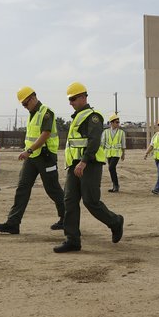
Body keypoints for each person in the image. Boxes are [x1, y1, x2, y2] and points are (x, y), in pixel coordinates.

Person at [55, 82, 124, 253]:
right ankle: (72, 240)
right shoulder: (77, 117)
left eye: (73, 99)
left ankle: (115, 222)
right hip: (74, 165)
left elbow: (93, 141)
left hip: (89, 165)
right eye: (69, 99)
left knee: (90, 201)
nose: (70, 102)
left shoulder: (93, 116)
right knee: (69, 200)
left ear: (83, 97)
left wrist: (84, 161)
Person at [0, 86, 66, 235]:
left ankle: (67, 219)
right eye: (23, 105)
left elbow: (45, 134)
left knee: (53, 190)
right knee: (22, 188)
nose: (25, 107)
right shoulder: (32, 114)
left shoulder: (46, 112)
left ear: (33, 98)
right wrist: (29, 151)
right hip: (32, 158)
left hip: (46, 157)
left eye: (26, 104)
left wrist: (29, 150)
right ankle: (13, 223)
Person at [102, 113, 126, 192]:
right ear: (111, 123)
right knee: (112, 169)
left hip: (116, 153)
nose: (118, 123)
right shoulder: (106, 132)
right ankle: (114, 185)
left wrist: (123, 154)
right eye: (116, 122)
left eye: (118, 122)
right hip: (108, 153)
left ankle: (116, 185)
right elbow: (102, 143)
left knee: (111, 167)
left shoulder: (121, 132)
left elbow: (123, 144)